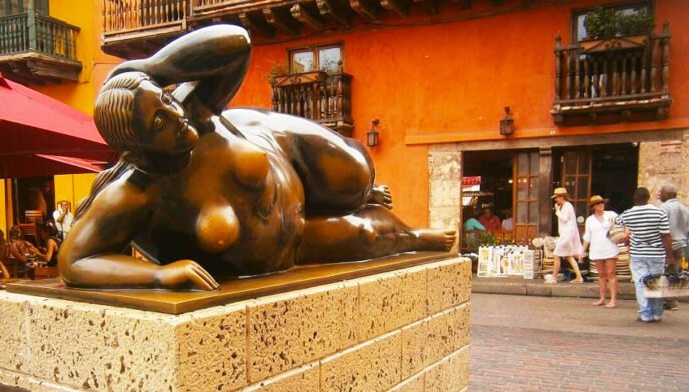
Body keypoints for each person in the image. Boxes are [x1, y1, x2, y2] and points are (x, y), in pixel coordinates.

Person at [60, 25, 455, 290]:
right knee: (369, 236)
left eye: (165, 99)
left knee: (355, 173)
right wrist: (158, 276)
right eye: (159, 121)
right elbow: (75, 261)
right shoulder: (136, 192)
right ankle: (414, 238)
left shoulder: (197, 109)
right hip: (290, 245)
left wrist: (149, 70)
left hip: (285, 156)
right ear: (139, 148)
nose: (175, 116)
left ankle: (364, 195)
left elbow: (236, 41)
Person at [617, 187, 672, 323]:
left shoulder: (627, 214)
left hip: (637, 254)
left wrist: (627, 239)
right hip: (657, 254)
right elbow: (665, 236)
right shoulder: (659, 213)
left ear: (634, 199)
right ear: (648, 197)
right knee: (655, 283)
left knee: (641, 283)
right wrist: (669, 256)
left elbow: (616, 230)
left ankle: (645, 314)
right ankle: (657, 313)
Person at [579, 195, 619, 307]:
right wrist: (582, 251)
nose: (601, 205)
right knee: (601, 275)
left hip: (610, 246)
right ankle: (602, 298)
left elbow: (621, 224)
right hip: (597, 248)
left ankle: (613, 300)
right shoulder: (590, 220)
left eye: (602, 203)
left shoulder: (611, 215)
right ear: (593, 207)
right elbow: (587, 236)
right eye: (598, 204)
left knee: (611, 273)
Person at [658, 183, 688, 311]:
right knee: (676, 273)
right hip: (681, 244)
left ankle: (663, 300)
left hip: (667, 245)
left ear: (667, 194)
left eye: (661, 192)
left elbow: (661, 229)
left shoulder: (663, 208)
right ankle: (672, 301)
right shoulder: (685, 208)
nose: (660, 194)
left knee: (663, 272)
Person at [548, 187, 584, 284]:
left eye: (557, 197)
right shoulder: (566, 206)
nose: (556, 200)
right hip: (566, 234)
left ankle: (554, 277)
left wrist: (557, 211)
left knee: (556, 255)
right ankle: (579, 276)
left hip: (567, 235)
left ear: (561, 197)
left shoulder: (567, 206)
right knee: (568, 256)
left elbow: (564, 218)